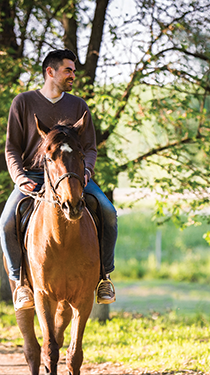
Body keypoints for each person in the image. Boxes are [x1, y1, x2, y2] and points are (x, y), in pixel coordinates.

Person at [2, 49, 117, 310]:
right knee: (6, 221)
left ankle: (104, 278)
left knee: (108, 212)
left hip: (74, 176)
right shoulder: (22, 103)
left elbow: (90, 148)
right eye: (68, 70)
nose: (73, 75)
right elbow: (11, 149)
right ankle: (20, 283)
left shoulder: (79, 106)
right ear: (50, 72)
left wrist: (86, 171)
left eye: (74, 71)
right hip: (33, 176)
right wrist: (20, 178)